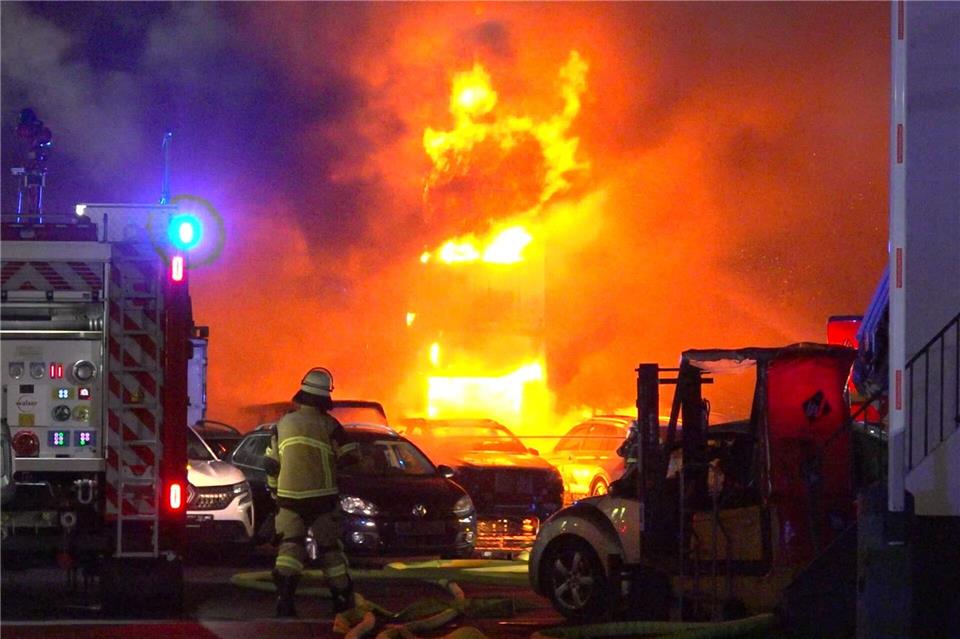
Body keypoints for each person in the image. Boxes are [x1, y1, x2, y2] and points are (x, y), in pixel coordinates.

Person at [264, 367, 360, 618]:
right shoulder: (330, 425)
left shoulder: (283, 424)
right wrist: (331, 465)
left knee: (290, 547)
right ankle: (341, 600)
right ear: (325, 399)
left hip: (288, 497)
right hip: (322, 498)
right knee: (330, 551)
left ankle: (284, 599)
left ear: (302, 394)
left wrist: (275, 492)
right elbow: (352, 455)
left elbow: (271, 464)